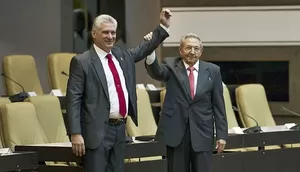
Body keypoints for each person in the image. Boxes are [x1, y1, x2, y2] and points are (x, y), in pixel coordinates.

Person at [66, 9, 172, 172]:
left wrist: (162, 27)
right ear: (94, 34)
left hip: (120, 130)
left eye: (113, 32)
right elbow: (73, 99)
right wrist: (75, 133)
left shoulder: (121, 55)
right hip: (96, 133)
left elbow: (142, 49)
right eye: (105, 32)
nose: (110, 36)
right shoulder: (82, 62)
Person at [144, 33, 228, 172]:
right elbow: (156, 72)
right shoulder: (170, 65)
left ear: (201, 51)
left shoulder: (213, 71)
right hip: (177, 133)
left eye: (196, 48)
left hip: (202, 132)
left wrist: (221, 135)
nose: (192, 52)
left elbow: (218, 105)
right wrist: (150, 49)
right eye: (188, 48)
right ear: (181, 50)